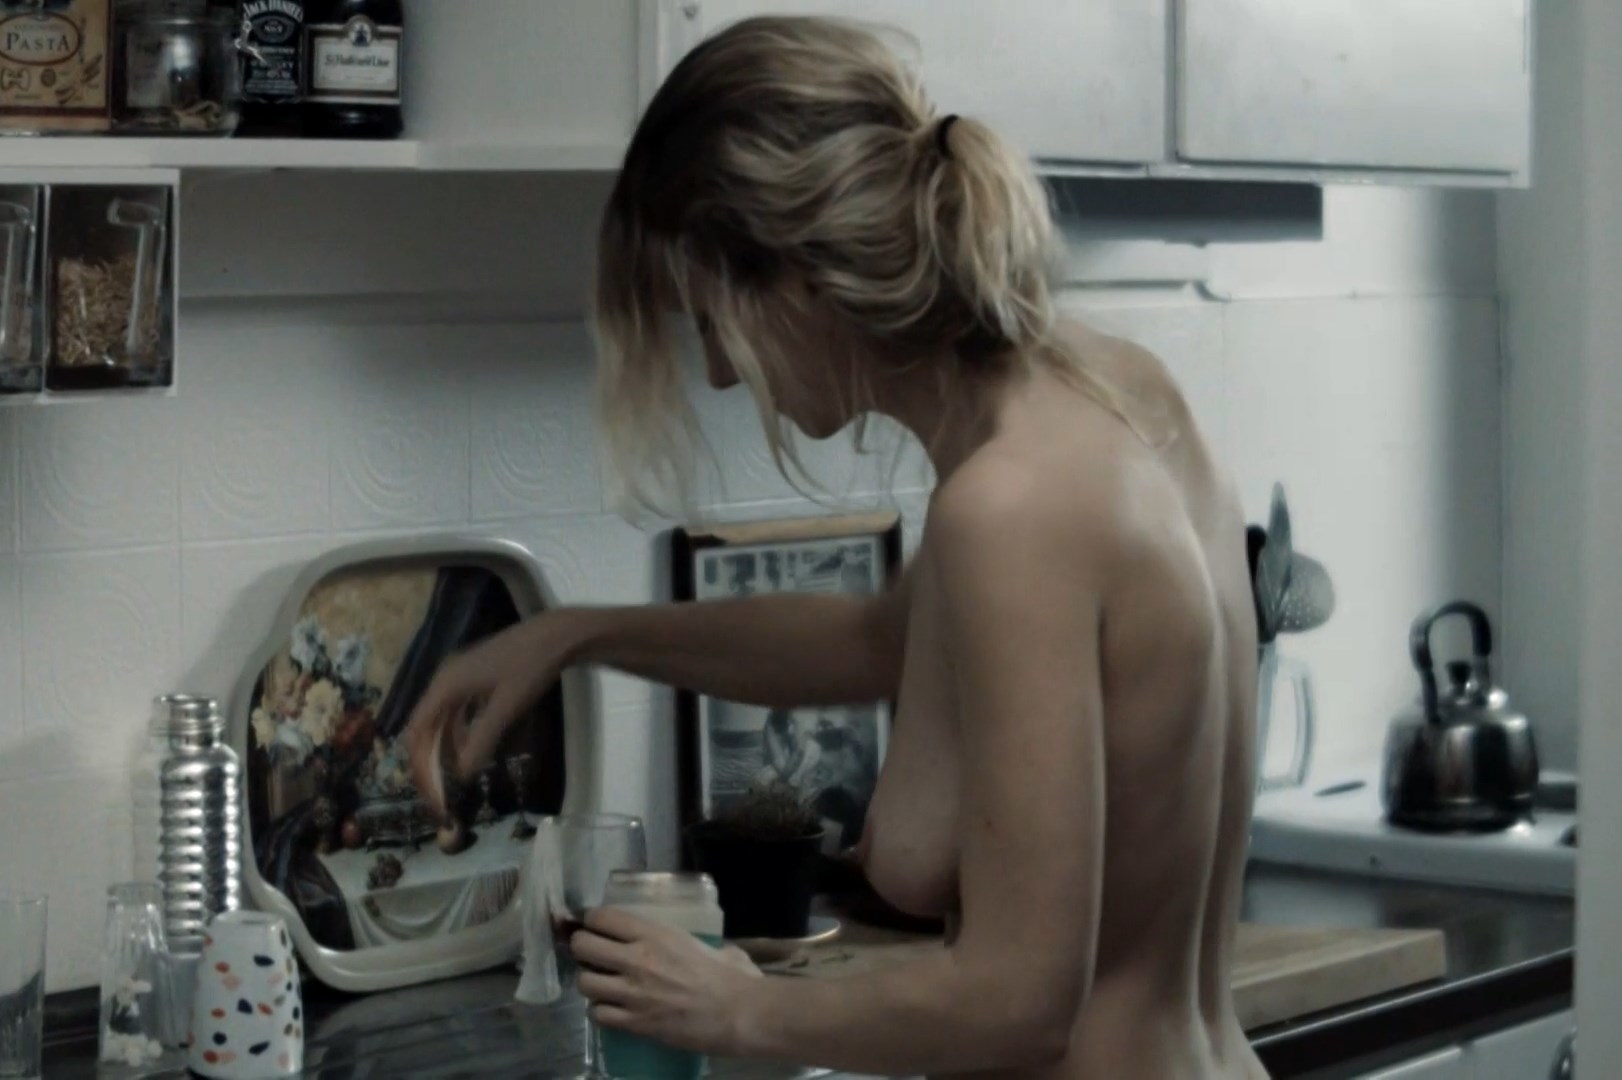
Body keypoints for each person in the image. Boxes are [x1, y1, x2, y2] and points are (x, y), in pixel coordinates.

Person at [407, 15, 1266, 1079]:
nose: (721, 374)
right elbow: (877, 642)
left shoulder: (1008, 510)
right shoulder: (1112, 393)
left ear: (796, 278)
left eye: (713, 323)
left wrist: (739, 1009)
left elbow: (1020, 1001)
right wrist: (573, 636)